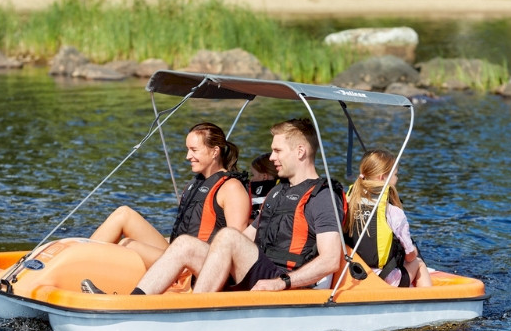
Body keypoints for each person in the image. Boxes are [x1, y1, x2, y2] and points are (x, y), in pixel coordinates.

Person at [132, 118, 346, 295]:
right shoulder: (278, 192)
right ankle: (134, 304)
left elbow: (330, 260)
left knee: (227, 236)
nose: (272, 158)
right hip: (258, 271)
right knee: (185, 244)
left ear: (300, 151)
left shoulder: (323, 197)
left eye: (278, 151)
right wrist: (212, 252)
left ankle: (193, 310)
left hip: (284, 282)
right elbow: (248, 236)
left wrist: (282, 282)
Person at [87, 122, 251, 271]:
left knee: (127, 244)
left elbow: (236, 244)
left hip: (199, 265)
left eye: (194, 150)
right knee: (124, 214)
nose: (188, 156)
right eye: (187, 150)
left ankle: (81, 267)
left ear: (215, 151)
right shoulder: (196, 184)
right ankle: (80, 256)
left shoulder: (231, 188)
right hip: (177, 251)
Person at [344, 149, 432, 288]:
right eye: (395, 175)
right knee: (418, 263)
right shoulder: (392, 211)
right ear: (381, 177)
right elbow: (410, 256)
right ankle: (429, 302)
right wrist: (413, 251)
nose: (397, 179)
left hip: (352, 275)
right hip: (383, 280)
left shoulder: (348, 201)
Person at [248, 152, 278, 221]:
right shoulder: (281, 190)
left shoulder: (256, 195)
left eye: (252, 175)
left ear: (264, 177)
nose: (251, 180)